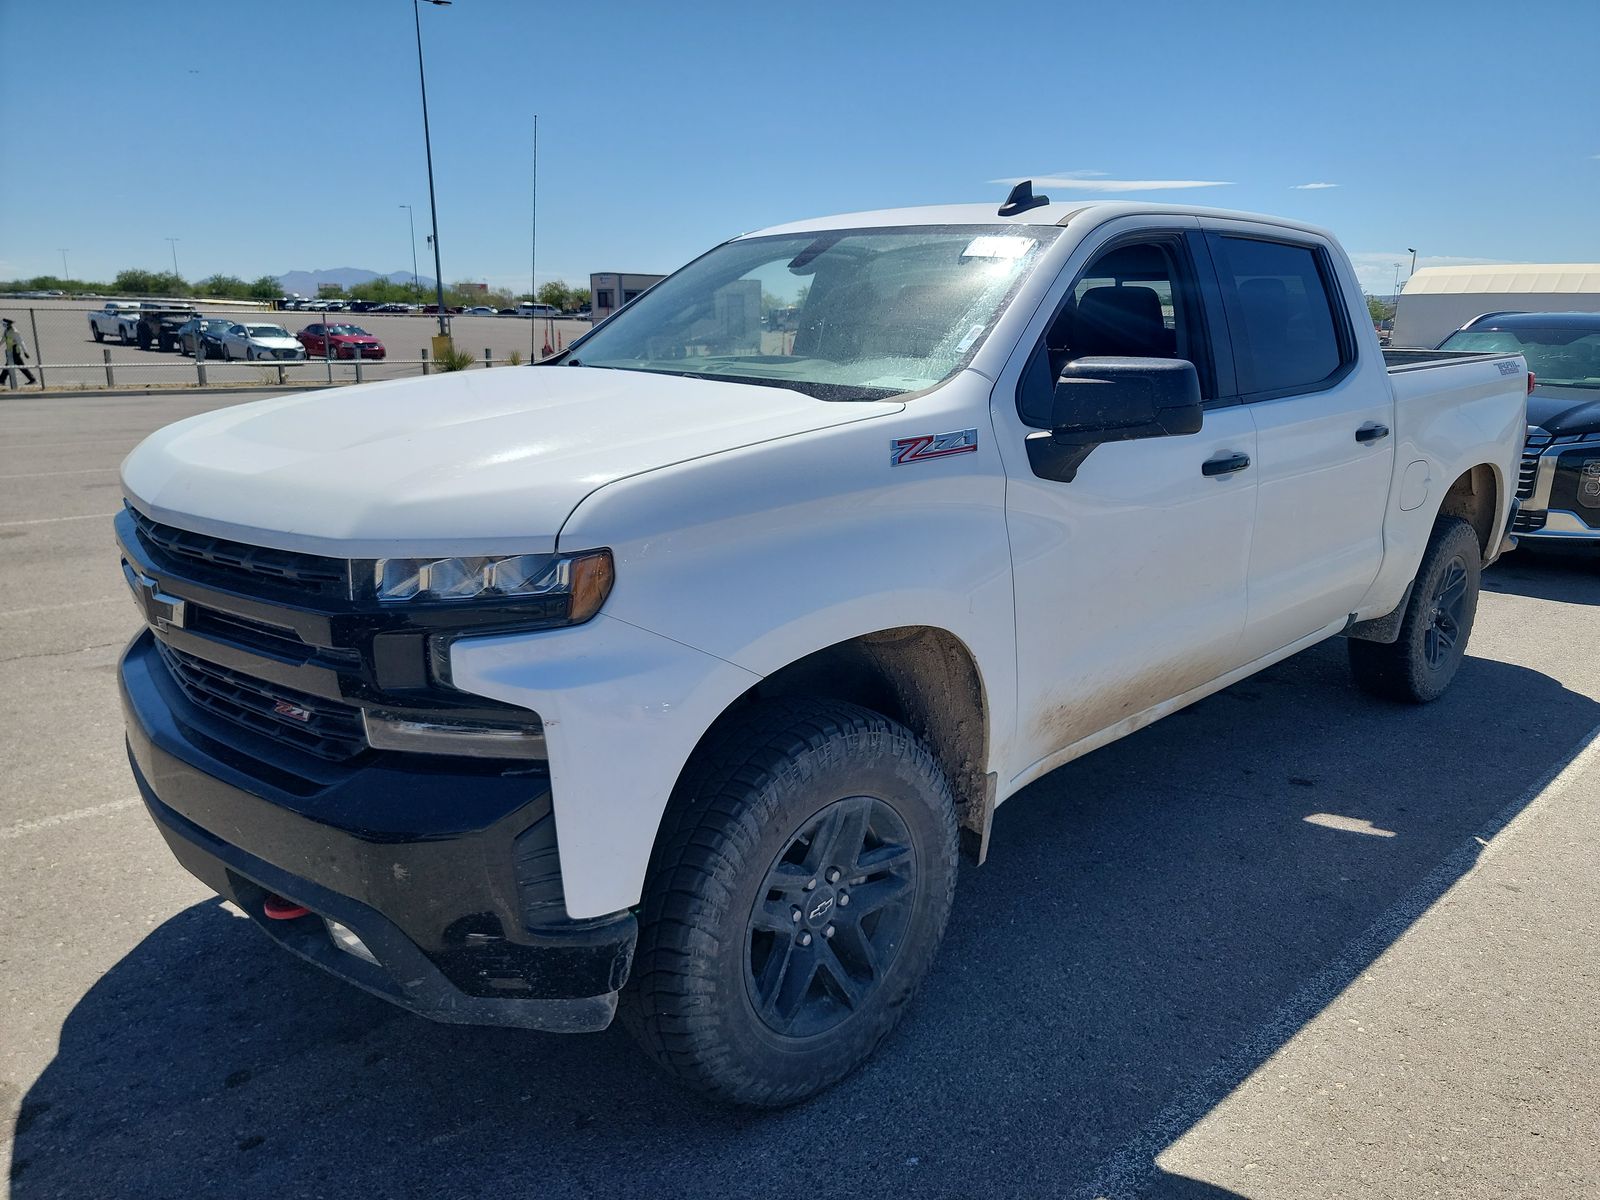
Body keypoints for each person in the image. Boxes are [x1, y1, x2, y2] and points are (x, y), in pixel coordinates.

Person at [2, 318, 39, 387]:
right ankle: (33, 379)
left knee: (8, 366)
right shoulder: (6, 331)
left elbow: (21, 342)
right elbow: (3, 339)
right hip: (10, 352)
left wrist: (26, 352)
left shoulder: (15, 332)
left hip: (15, 352)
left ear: (6, 324)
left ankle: (1, 380)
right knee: (21, 367)